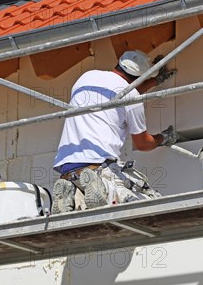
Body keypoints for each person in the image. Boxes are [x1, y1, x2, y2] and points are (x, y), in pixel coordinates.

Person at [51, 50, 179, 214]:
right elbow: (143, 144)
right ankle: (101, 187)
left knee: (81, 207)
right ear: (141, 76)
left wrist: (153, 82)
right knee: (145, 199)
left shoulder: (86, 78)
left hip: (67, 166)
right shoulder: (132, 98)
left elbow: (118, 94)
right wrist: (164, 137)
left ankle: (69, 191)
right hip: (98, 165)